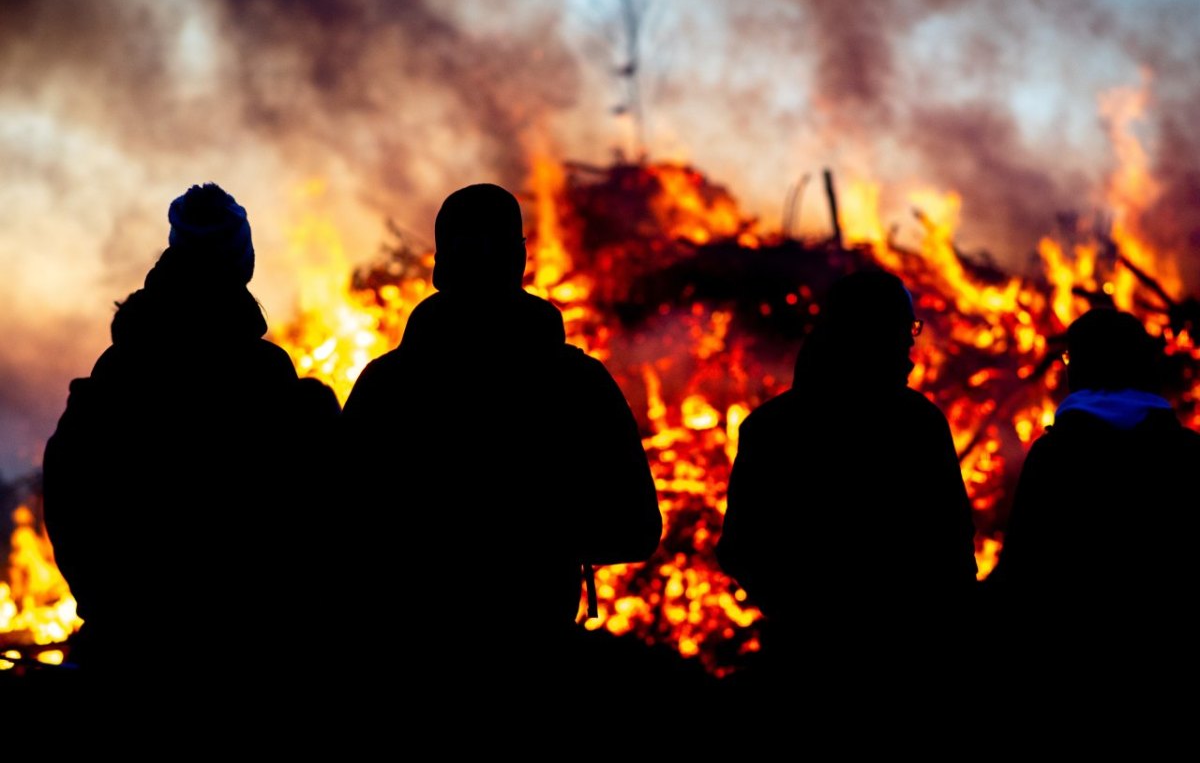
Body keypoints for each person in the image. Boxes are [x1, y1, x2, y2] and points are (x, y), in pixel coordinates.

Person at [340, 183, 662, 700]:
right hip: (534, 663)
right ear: (520, 260)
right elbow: (637, 528)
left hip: (409, 668)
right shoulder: (576, 384)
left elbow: (339, 527)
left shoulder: (387, 386)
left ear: (441, 268)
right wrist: (542, 535)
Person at [42, 183, 339, 696]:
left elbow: (69, 492)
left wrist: (107, 608)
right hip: (249, 657)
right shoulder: (269, 382)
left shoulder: (118, 376)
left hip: (134, 653)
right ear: (244, 263)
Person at [715, 268, 978, 700]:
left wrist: (794, 613)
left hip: (804, 664)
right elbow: (954, 549)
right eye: (904, 327)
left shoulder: (770, 427)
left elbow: (740, 548)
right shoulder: (917, 425)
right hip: (908, 668)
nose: (911, 342)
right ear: (872, 332)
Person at [985, 307, 1200, 693]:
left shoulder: (1054, 458)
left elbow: (1020, 575)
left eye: (1070, 358)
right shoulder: (1189, 454)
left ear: (1079, 370)